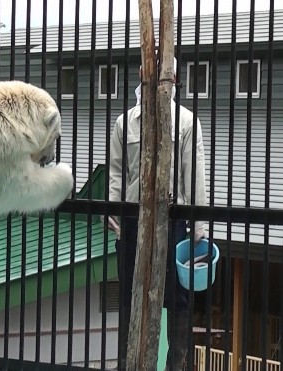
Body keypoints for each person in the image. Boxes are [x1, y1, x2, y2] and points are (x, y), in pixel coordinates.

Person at [106, 57, 207, 371]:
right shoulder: (126, 123)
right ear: (141, 73)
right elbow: (116, 173)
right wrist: (113, 212)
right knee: (130, 297)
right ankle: (129, 363)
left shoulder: (187, 122)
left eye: (165, 75)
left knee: (177, 299)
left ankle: (176, 365)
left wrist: (199, 224)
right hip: (133, 220)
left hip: (174, 220)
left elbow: (196, 174)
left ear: (175, 79)